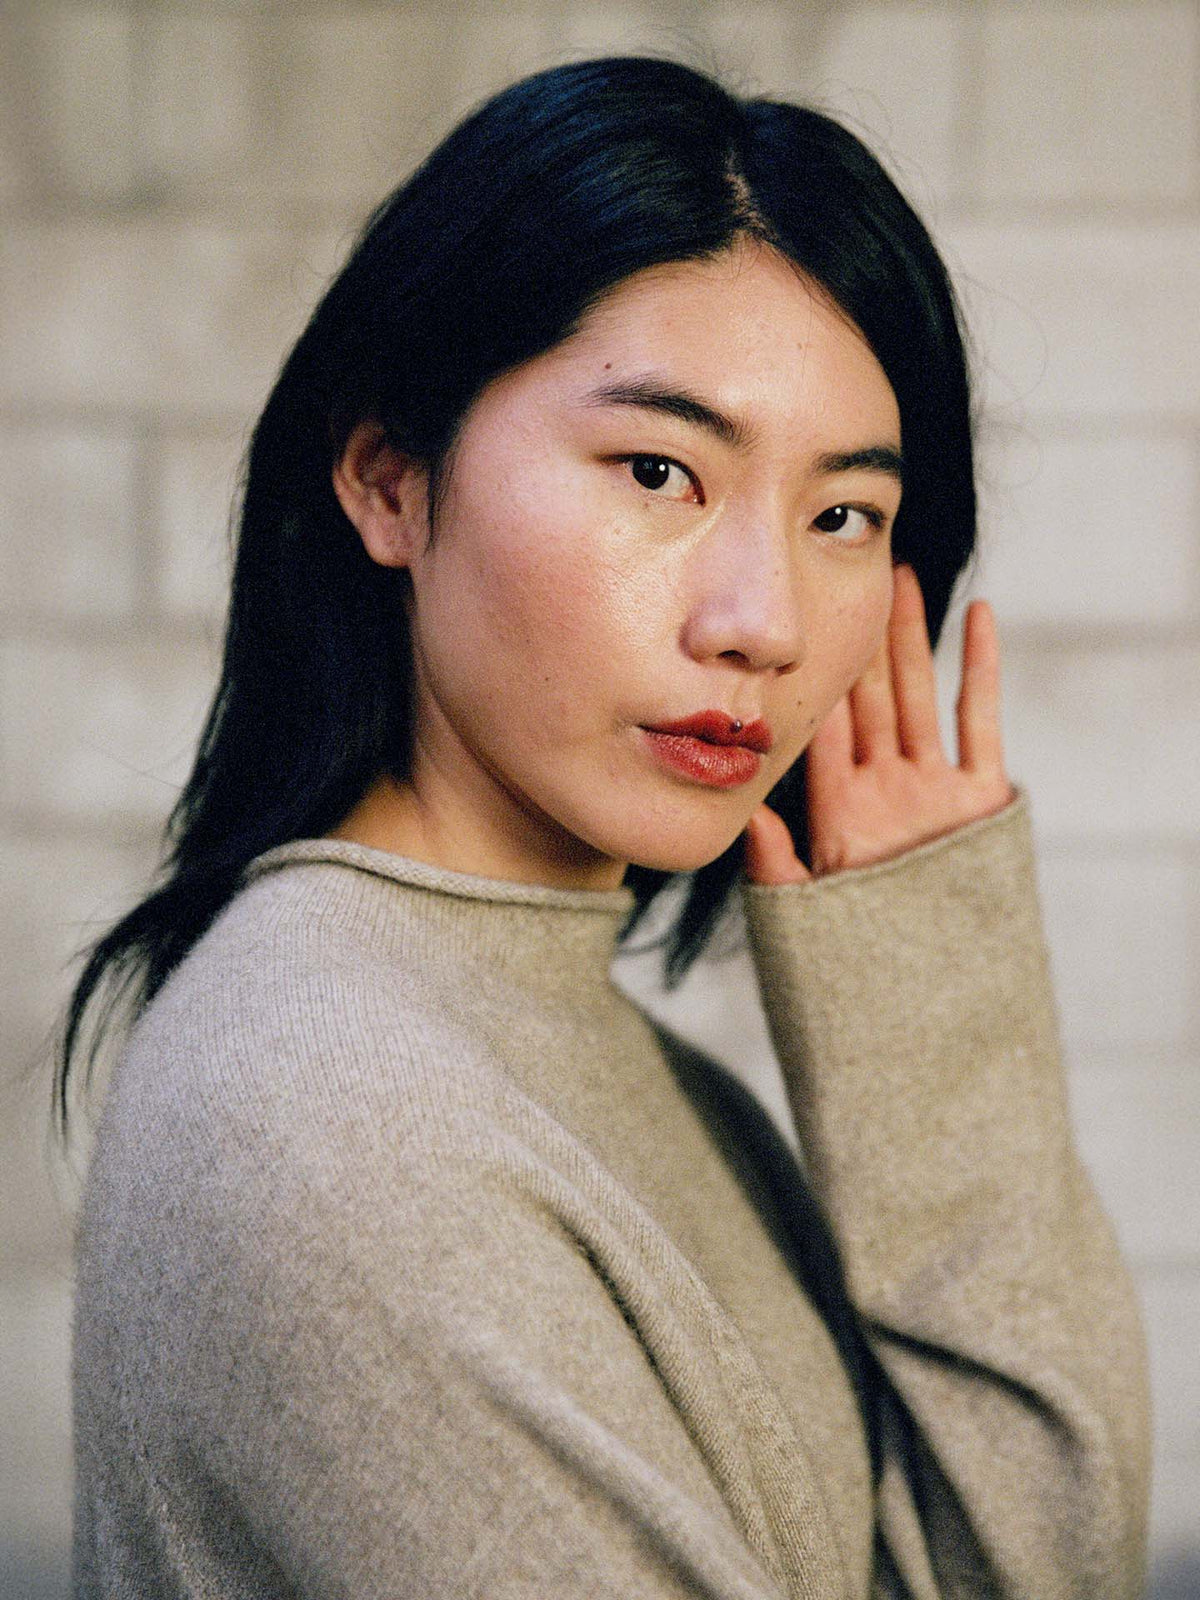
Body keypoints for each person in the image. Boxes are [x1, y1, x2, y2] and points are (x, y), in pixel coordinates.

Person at [60, 54, 1150, 1599]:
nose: (764, 623)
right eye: (659, 471)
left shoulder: (619, 1070)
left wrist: (933, 994)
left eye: (844, 514)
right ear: (388, 475)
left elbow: (1016, 1567)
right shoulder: (338, 1121)